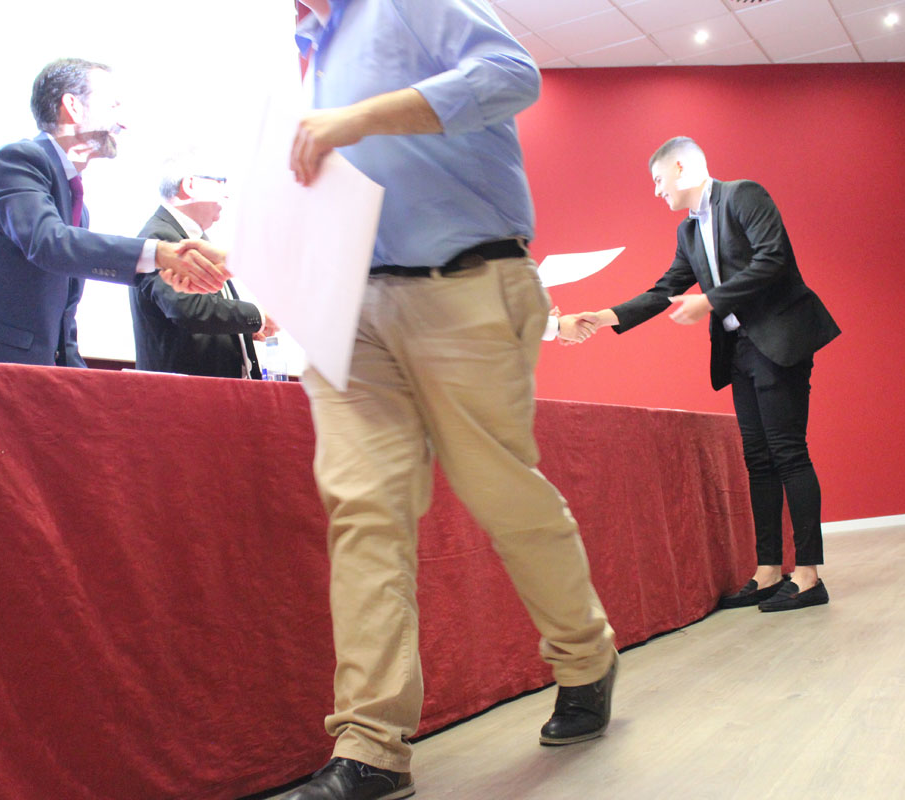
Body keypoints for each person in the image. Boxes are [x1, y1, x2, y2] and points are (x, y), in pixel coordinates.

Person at [287, 2, 618, 798]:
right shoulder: (305, 50)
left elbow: (512, 75)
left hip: (465, 283)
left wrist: (355, 118)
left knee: (501, 493)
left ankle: (585, 656)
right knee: (363, 510)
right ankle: (370, 746)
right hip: (348, 304)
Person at [561, 136, 841, 614]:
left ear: (680, 168)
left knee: (789, 453)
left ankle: (809, 576)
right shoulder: (687, 233)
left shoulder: (743, 195)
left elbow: (772, 258)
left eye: (658, 179)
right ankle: (768, 571)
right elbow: (664, 290)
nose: (657, 191)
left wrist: (710, 300)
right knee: (758, 461)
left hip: (779, 340)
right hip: (740, 351)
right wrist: (601, 318)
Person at [0, 58, 226, 367]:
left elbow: (63, 314)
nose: (123, 122)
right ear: (73, 106)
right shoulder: (18, 159)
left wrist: (79, 380)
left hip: (18, 370)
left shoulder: (76, 207)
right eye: (112, 106)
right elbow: (50, 243)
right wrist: (160, 254)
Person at [130, 163, 278, 378]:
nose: (226, 195)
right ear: (190, 185)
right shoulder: (160, 238)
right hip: (181, 392)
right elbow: (189, 309)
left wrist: (240, 332)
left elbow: (202, 316)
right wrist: (257, 316)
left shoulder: (191, 238)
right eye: (220, 183)